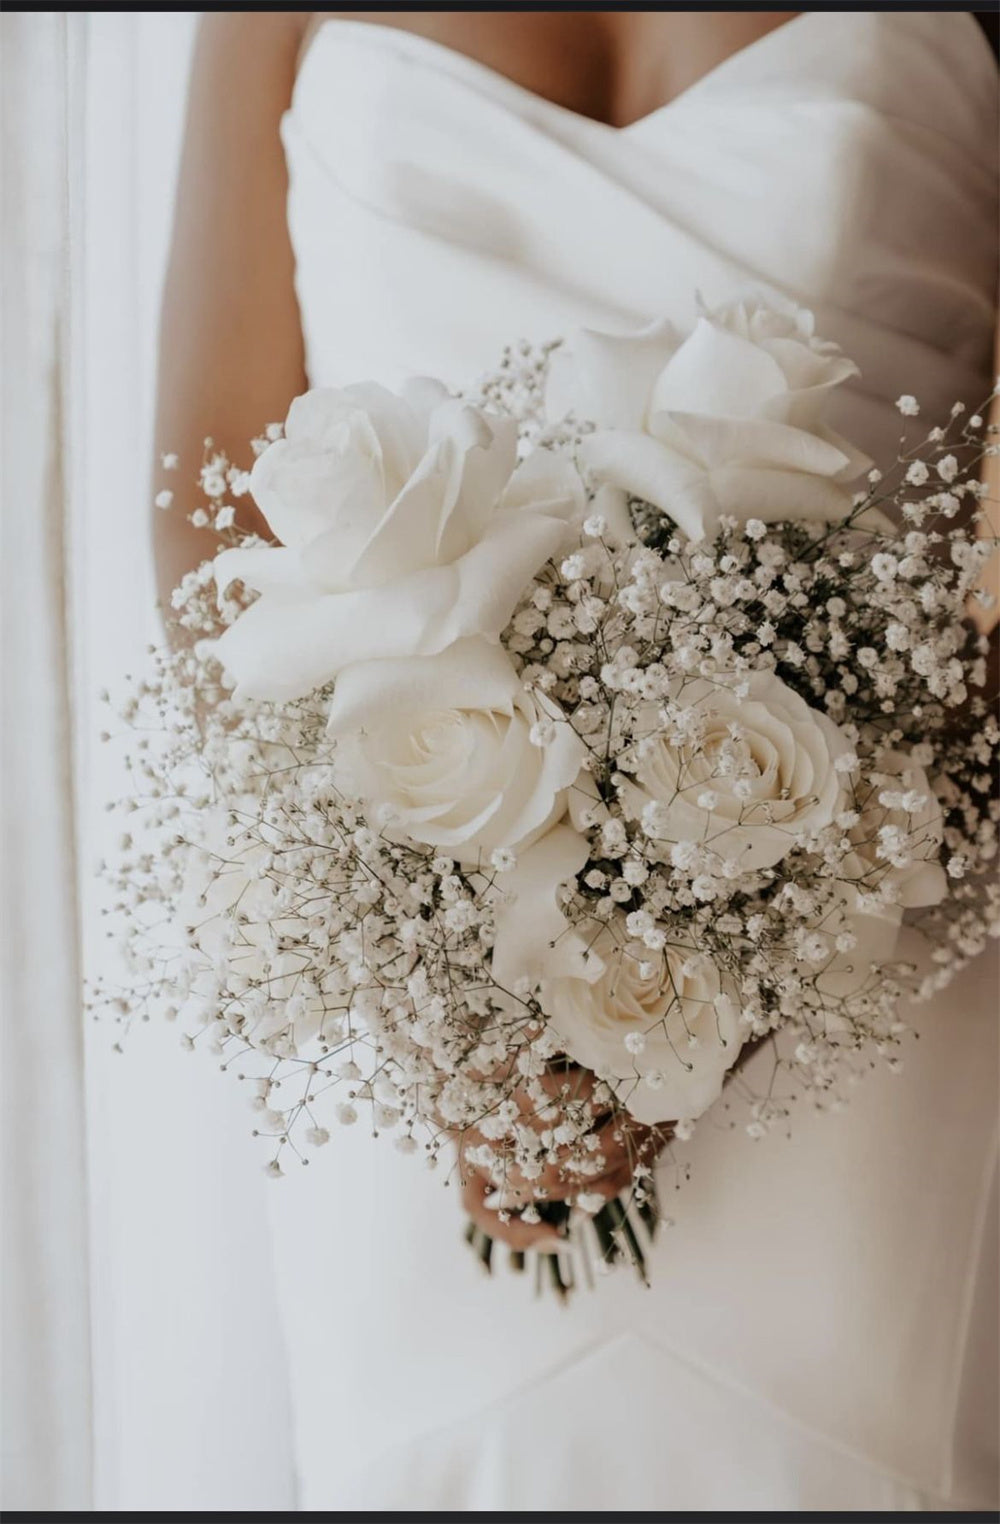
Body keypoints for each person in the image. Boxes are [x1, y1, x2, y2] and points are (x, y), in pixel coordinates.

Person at [153, 11, 999, 1510]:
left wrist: (733, 968)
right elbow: (210, 477)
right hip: (408, 959)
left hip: (880, 938)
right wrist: (435, 998)